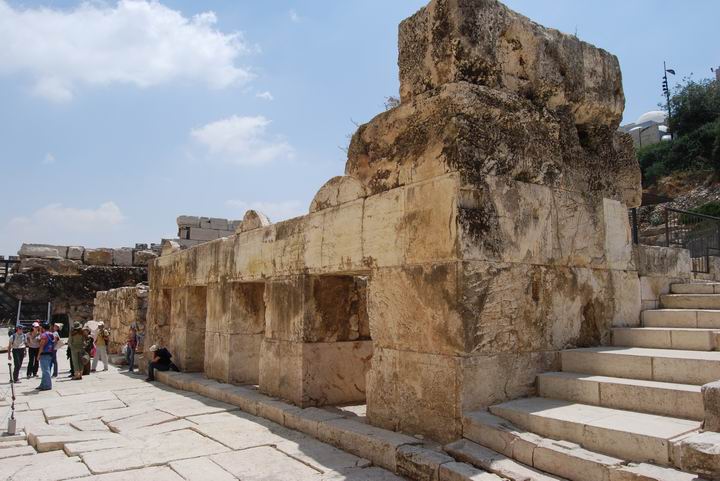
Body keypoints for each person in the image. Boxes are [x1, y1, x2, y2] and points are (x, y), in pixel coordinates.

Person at [36, 323, 55, 391]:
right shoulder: (51, 334)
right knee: (45, 370)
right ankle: (43, 384)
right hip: (50, 353)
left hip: (44, 353)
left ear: (43, 328)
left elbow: (41, 346)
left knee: (45, 370)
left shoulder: (44, 335)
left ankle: (47, 385)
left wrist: (38, 355)